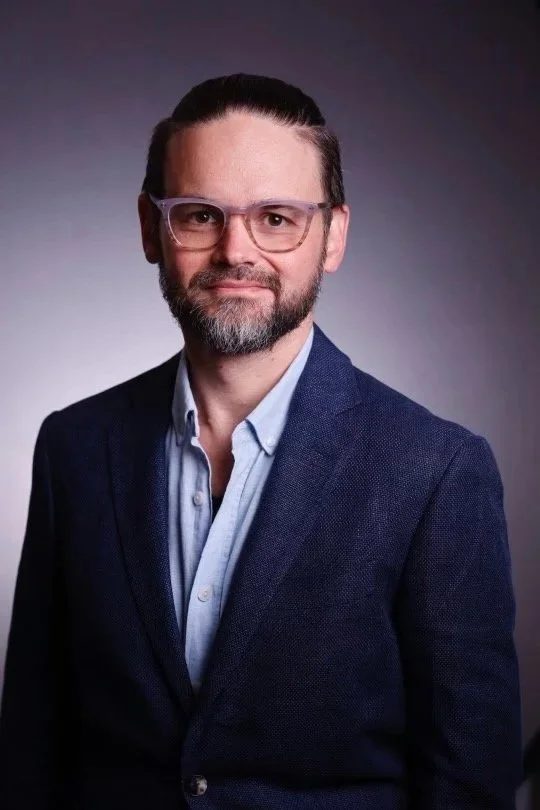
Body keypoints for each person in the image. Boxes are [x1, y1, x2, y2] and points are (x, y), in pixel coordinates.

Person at [0, 73, 522, 809]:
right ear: (152, 230)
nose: (236, 251)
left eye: (277, 218)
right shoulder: (74, 448)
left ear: (333, 236)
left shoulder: (436, 470)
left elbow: (469, 783)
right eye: (201, 215)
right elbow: (31, 747)